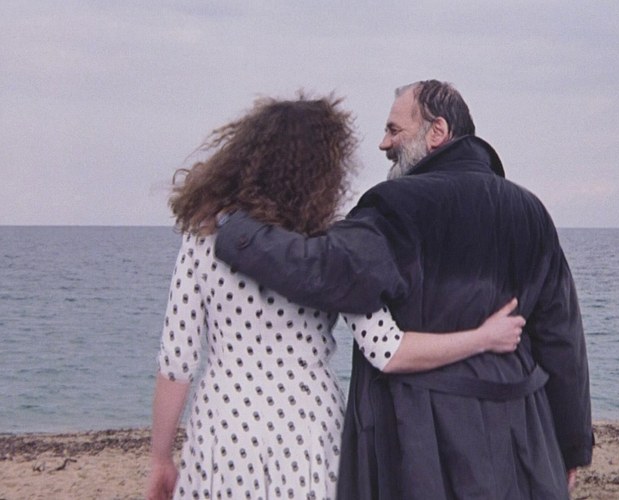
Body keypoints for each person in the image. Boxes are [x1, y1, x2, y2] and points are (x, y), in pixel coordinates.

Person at [214, 80, 594, 499]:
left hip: (423, 442)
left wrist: (235, 230)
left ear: (437, 131)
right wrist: (572, 445)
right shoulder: (531, 211)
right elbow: (562, 339)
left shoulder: (397, 205)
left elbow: (324, 267)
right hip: (523, 437)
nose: (383, 143)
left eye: (394, 130)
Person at [145, 94, 527, 500]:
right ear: (325, 169)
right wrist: (482, 338)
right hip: (307, 430)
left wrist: (160, 458)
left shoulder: (205, 237)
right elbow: (389, 351)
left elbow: (177, 362)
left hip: (225, 428)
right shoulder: (335, 243)